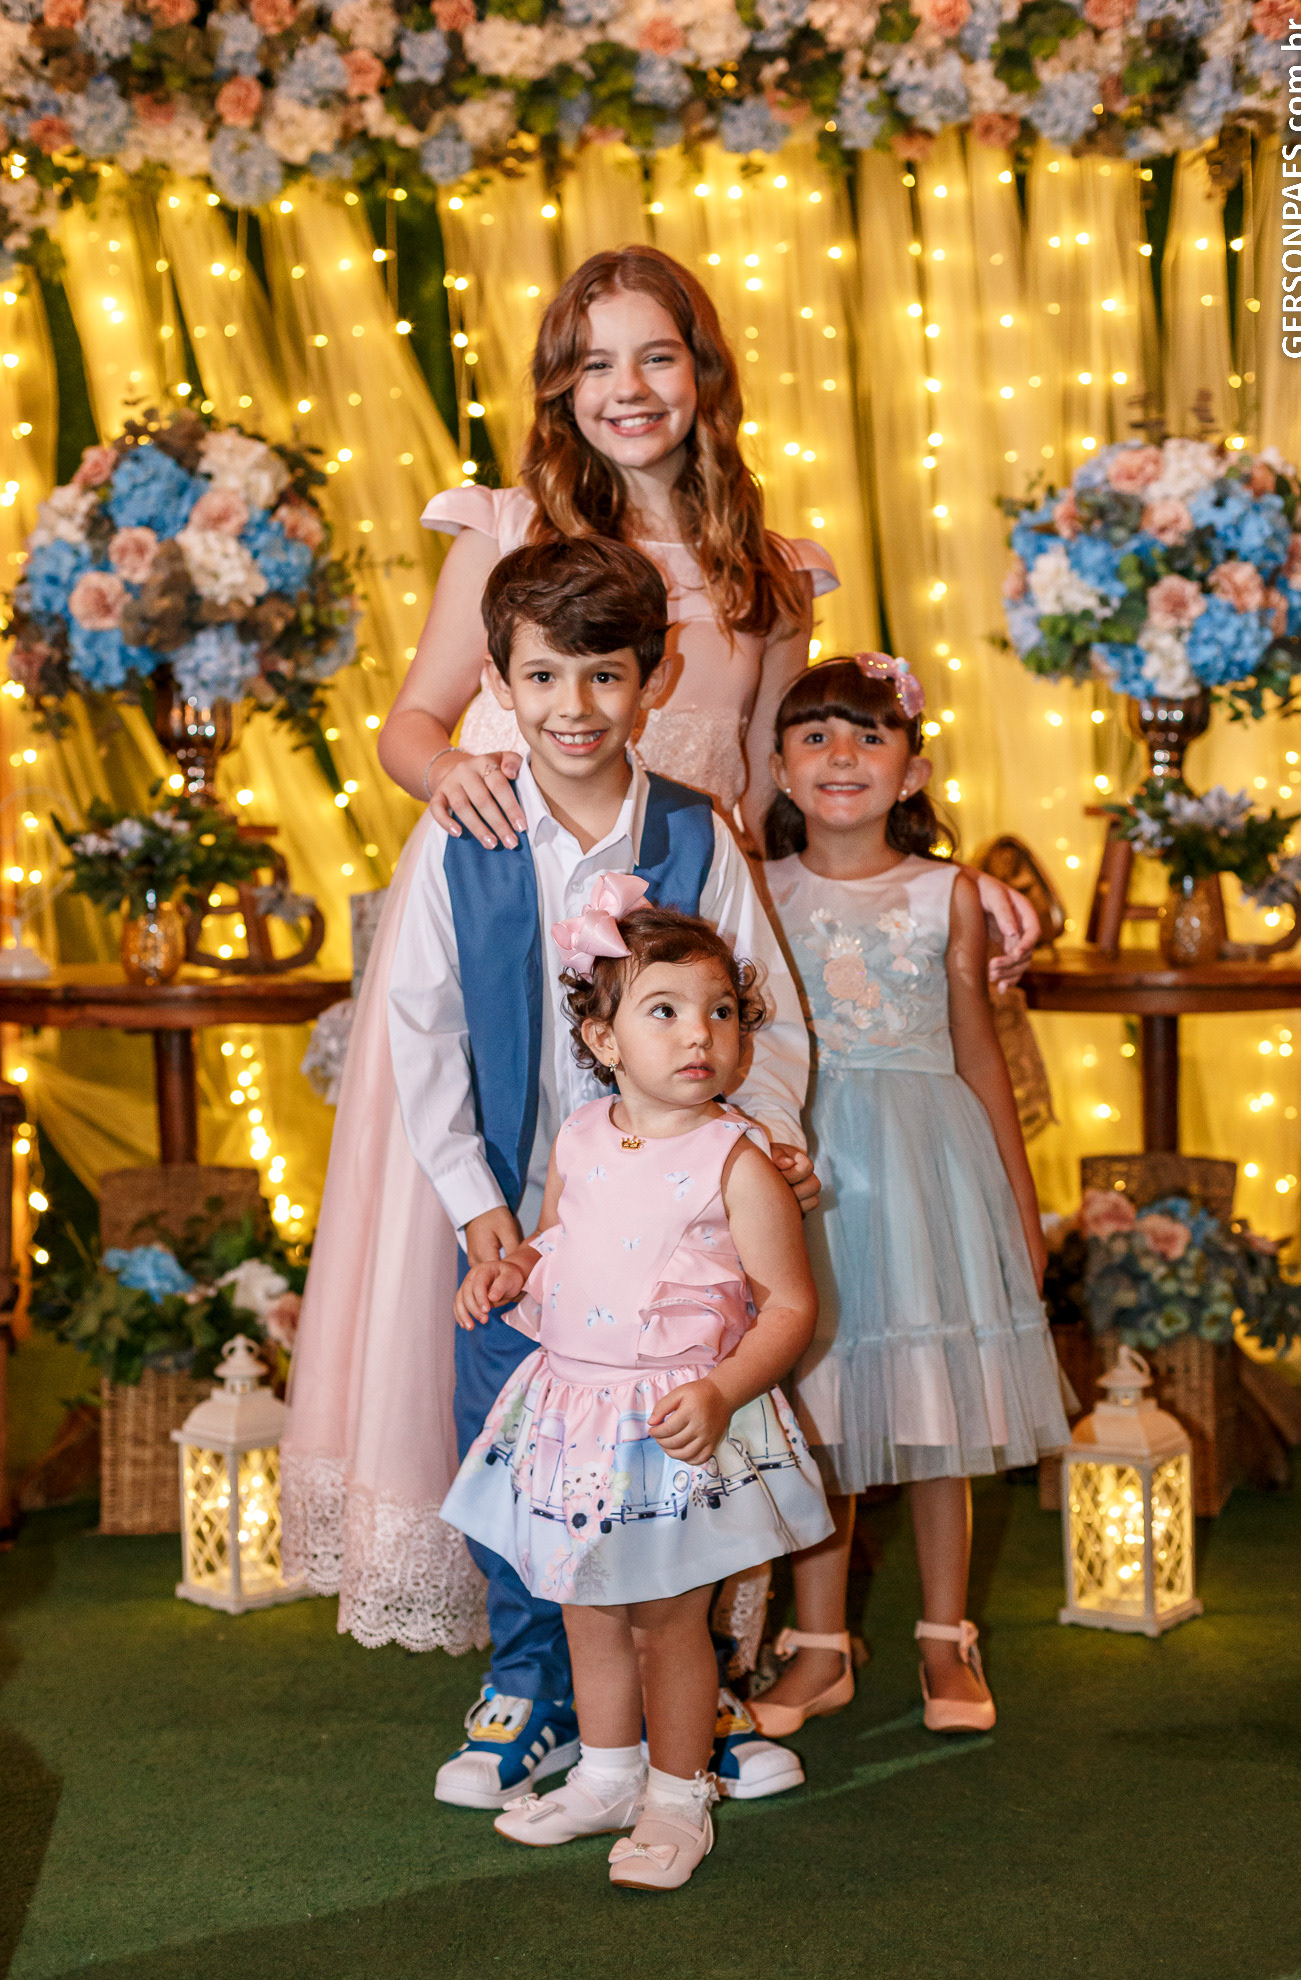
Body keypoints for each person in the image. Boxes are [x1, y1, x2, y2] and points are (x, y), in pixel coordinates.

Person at [280, 244, 1036, 1720]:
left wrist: (944, 879)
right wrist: (453, 784)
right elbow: (414, 722)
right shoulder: (507, 528)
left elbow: (770, 792)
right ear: (559, 386)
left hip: (683, 962)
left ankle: (697, 1622)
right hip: (522, 931)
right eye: (594, 363)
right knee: (525, 1283)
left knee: (681, 1288)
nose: (627, 390)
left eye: (656, 356)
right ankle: (539, 1645)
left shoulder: (768, 571)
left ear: (704, 370)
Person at [383, 535, 822, 1811]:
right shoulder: (462, 832)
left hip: (677, 1217)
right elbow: (420, 1027)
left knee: (680, 1460)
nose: (573, 707)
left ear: (654, 677)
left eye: (604, 675)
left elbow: (764, 1006)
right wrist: (477, 1207)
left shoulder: (695, 831)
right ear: (497, 685)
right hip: (526, 1204)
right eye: (541, 677)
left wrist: (763, 1139)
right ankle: (533, 1685)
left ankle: (694, 1698)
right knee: (522, 1448)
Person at [441, 905, 832, 1891]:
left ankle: (677, 1792)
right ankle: (610, 1776)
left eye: (720, 1011)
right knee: (586, 1602)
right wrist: (515, 1268)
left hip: (673, 1424)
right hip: (577, 1413)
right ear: (604, 1040)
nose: (700, 1033)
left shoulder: (738, 1161)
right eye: (665, 1010)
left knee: (666, 1617)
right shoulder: (581, 1134)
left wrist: (724, 1389)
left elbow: (790, 1305)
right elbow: (558, 1237)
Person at [746, 656, 1070, 1741]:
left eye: (870, 736)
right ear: (779, 768)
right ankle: (820, 1644)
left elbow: (979, 1055)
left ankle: (944, 1635)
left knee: (936, 1412)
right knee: (820, 1408)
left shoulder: (950, 894)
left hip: (930, 1172)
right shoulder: (755, 890)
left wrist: (1016, 1205)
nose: (843, 757)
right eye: (816, 737)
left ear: (913, 770)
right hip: (809, 1174)